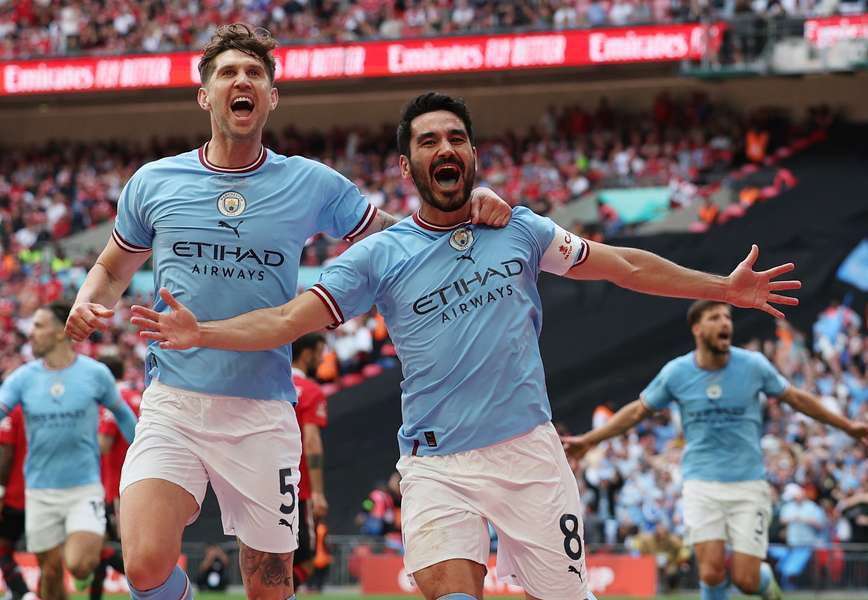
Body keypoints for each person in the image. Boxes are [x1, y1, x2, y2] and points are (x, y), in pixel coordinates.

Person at [130, 91, 805, 600]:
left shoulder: (519, 229)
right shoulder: (378, 258)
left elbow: (622, 266)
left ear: (474, 155)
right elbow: (285, 321)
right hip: (436, 466)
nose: (444, 149)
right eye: (428, 141)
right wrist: (203, 332)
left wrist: (723, 286)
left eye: (456, 138)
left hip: (532, 458)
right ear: (407, 164)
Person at [62, 24, 510, 600]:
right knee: (144, 563)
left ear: (272, 96)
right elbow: (111, 269)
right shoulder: (154, 182)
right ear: (205, 94)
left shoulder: (310, 182)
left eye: (255, 73)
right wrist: (86, 300)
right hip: (174, 402)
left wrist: (466, 211)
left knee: (270, 585)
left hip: (263, 411)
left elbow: (402, 242)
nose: (241, 81)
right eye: (228, 73)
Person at [563, 300, 868, 600]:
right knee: (711, 571)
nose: (725, 323)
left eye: (727, 317)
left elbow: (796, 398)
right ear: (697, 329)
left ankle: (766, 583)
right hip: (701, 484)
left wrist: (847, 426)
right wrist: (590, 440)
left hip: (748, 485)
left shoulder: (753, 366)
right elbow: (636, 412)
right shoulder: (677, 373)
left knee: (746, 580)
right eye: (715, 317)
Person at [0, 302, 138, 600]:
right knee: (49, 572)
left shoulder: (94, 374)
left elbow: (123, 414)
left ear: (61, 333)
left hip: (83, 489)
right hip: (38, 491)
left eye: (38, 326)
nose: (31, 334)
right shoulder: (23, 378)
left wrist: (144, 454)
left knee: (79, 564)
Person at [90, 355, 142, 600]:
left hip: (115, 486)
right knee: (102, 544)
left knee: (115, 548)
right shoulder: (139, 396)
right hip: (140, 479)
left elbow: (104, 444)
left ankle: (153, 587)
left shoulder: (114, 402)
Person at [289, 334, 328, 590]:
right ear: (306, 354)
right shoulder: (311, 391)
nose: (322, 358)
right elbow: (311, 442)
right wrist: (318, 493)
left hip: (261, 483)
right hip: (297, 490)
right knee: (306, 559)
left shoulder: (271, 386)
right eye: (319, 352)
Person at [0, 406, 36, 600]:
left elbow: (6, 455)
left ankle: (24, 594)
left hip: (14, 495)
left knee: (2, 548)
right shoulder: (32, 408)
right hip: (38, 492)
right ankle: (15, 592)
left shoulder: (10, 412)